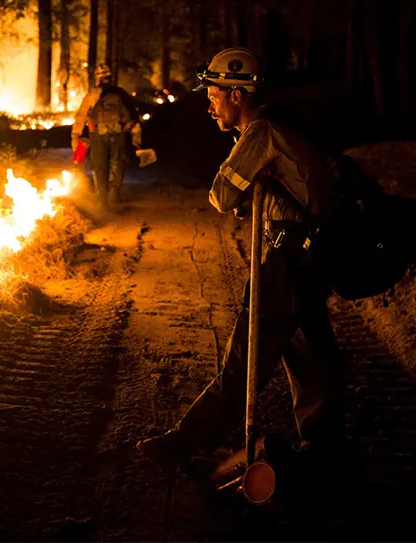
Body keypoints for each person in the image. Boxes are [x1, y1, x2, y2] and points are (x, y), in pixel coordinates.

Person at [136, 47, 345, 471]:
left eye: (213, 94)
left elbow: (222, 196)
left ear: (236, 94)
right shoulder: (281, 127)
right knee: (313, 365)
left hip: (286, 263)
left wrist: (245, 181)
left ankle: (183, 444)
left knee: (243, 364)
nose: (209, 104)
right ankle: (325, 457)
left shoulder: (261, 133)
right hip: (311, 258)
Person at [71, 64, 139, 210]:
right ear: (110, 77)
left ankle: (101, 198)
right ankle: (114, 194)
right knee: (117, 163)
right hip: (119, 135)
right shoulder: (121, 94)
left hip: (97, 135)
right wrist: (135, 138)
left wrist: (75, 137)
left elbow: (81, 116)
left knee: (99, 165)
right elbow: (133, 116)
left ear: (98, 78)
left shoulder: (92, 95)